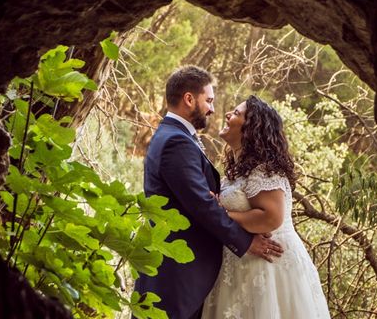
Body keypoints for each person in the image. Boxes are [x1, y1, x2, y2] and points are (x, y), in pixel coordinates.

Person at [133, 66, 283, 319]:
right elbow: (201, 204)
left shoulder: (174, 136)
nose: (213, 109)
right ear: (189, 99)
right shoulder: (176, 141)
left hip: (180, 273)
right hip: (175, 276)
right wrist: (246, 242)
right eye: (209, 100)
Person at [202, 95, 331, 319]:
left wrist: (222, 213)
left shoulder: (264, 170)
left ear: (252, 129)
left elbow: (271, 218)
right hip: (241, 264)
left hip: (268, 267)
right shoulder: (240, 170)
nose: (229, 115)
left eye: (237, 113)